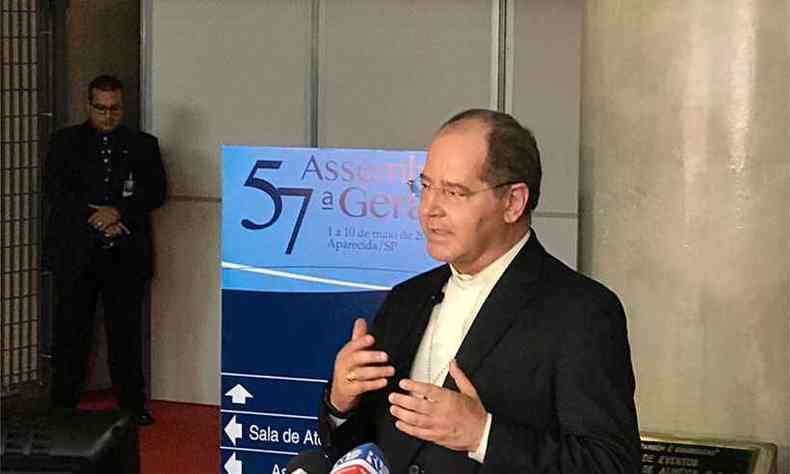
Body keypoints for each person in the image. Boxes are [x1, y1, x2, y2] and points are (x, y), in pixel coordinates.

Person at [318, 109, 640, 473]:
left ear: (513, 202)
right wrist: (340, 404)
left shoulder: (582, 312)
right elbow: (360, 447)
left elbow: (611, 464)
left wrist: (482, 435)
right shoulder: (405, 299)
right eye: (424, 187)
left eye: (454, 192)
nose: (429, 209)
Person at [44, 75, 166, 426]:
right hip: (77, 251)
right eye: (101, 108)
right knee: (71, 330)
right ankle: (63, 405)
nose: (108, 116)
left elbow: (156, 191)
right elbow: (56, 189)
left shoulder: (143, 145)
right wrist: (95, 216)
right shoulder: (65, 142)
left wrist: (119, 213)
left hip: (125, 252)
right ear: (89, 105)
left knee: (125, 332)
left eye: (114, 109)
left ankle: (130, 404)